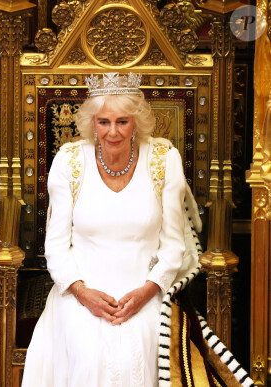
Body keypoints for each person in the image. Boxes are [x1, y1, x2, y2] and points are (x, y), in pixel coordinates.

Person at [22, 73, 252, 386]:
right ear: (92, 123)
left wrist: (148, 291)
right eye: (104, 122)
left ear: (137, 122)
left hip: (145, 290)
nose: (112, 132)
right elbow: (56, 247)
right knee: (89, 353)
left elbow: (173, 246)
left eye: (122, 122)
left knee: (144, 350)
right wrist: (82, 292)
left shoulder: (163, 159)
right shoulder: (69, 162)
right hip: (81, 291)